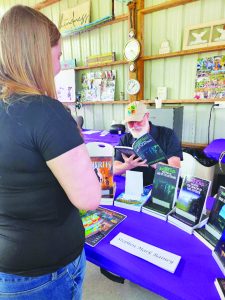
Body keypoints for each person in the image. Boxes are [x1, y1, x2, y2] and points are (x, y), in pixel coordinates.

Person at [0, 5, 101, 300]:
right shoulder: (47, 112)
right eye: (58, 56)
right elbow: (89, 198)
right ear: (39, 54)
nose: (59, 66)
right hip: (46, 272)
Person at [114, 101, 183, 186]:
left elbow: (175, 172)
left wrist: (152, 161)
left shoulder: (168, 135)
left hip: (164, 186)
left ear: (147, 116)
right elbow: (114, 170)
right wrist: (127, 166)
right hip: (137, 188)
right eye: (130, 122)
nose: (135, 125)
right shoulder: (125, 139)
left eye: (138, 120)